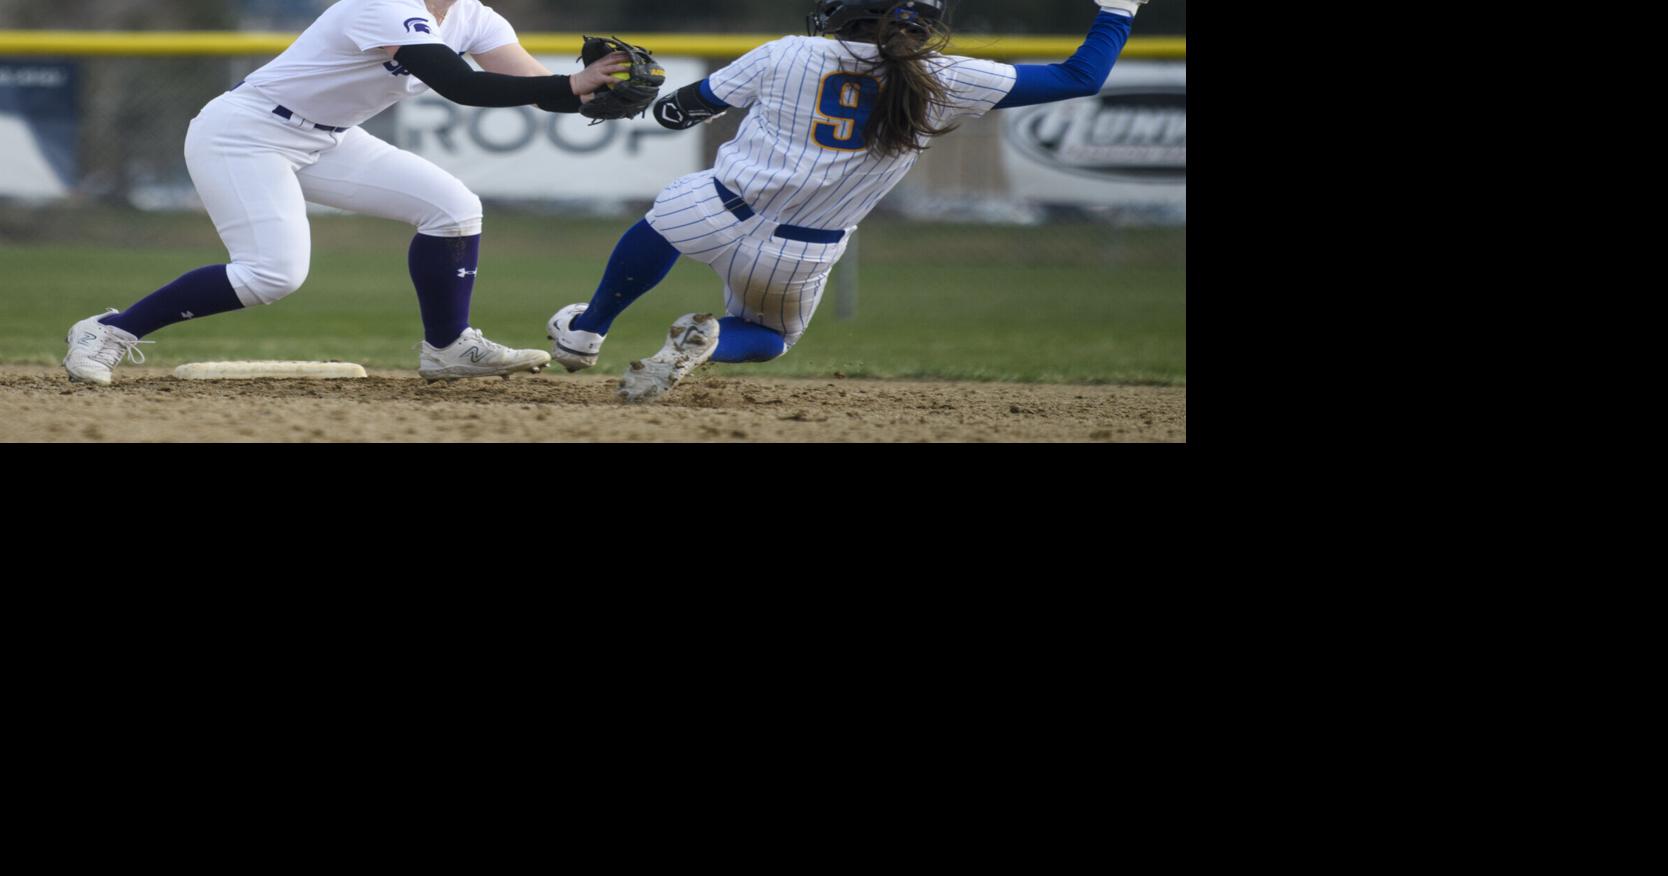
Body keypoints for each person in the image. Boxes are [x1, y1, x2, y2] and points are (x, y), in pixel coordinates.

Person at [544, 0, 1148, 402]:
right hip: (800, 251)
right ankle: (710, 342)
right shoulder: (948, 76)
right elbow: (1081, 78)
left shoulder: (792, 51)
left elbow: (680, 113)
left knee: (669, 216)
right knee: (769, 336)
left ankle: (587, 330)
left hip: (717, 206)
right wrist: (1118, 9)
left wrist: (655, 102)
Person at [63, 0, 646, 385]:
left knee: (454, 209)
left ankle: (447, 348)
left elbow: (532, 85)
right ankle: (110, 330)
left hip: (329, 138)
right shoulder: (381, 4)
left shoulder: (474, 16)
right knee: (271, 275)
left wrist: (590, 94)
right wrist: (572, 84)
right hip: (247, 133)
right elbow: (460, 86)